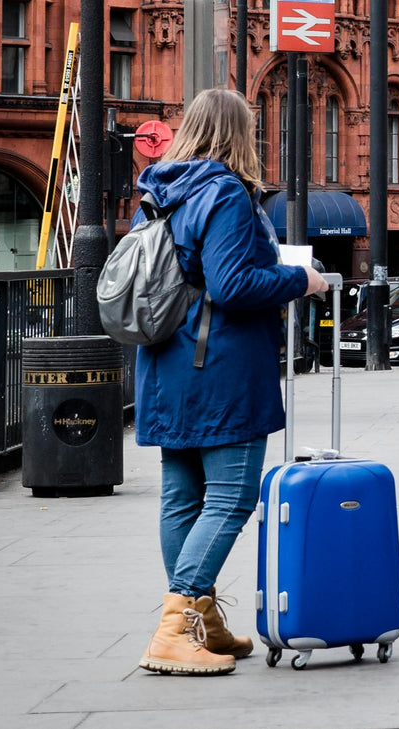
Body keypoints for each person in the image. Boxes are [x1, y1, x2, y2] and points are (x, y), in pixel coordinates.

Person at [132, 88, 328, 676]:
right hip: (219, 366)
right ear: (242, 134)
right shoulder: (225, 192)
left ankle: (203, 620)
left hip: (167, 363)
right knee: (232, 496)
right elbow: (232, 285)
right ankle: (175, 626)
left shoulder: (161, 193)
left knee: (182, 495)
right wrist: (301, 279)